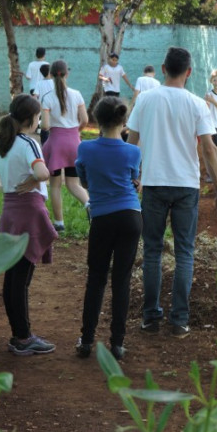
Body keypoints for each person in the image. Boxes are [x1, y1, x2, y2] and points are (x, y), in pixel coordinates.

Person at [126, 47, 217, 338]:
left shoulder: (145, 100)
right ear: (189, 72)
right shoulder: (198, 104)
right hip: (186, 186)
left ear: (162, 68)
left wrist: (132, 177)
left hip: (154, 184)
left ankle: (150, 317)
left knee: (152, 251)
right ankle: (180, 320)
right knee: (185, 252)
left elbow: (131, 144)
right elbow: (209, 149)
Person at [0, 94, 58, 356]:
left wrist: (9, 175)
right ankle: (23, 337)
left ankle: (19, 334)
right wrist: (34, 181)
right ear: (31, 119)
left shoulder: (4, 142)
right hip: (28, 212)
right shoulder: (28, 143)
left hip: (10, 211)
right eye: (37, 117)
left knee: (13, 278)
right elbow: (44, 173)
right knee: (21, 280)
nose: (38, 122)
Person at [74, 97, 143, 361]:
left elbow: (84, 179)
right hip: (131, 217)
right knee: (121, 280)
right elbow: (132, 178)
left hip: (102, 217)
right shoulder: (132, 152)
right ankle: (117, 344)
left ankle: (87, 340)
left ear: (97, 120)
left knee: (97, 278)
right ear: (124, 121)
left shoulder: (86, 148)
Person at [40, 60, 90, 232]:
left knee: (55, 185)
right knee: (73, 184)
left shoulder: (47, 97)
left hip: (55, 143)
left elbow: (45, 126)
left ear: (51, 75)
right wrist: (77, 131)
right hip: (74, 142)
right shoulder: (76, 94)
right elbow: (84, 120)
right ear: (66, 73)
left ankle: (59, 223)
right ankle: (91, 206)